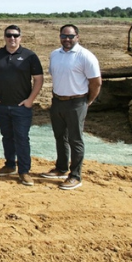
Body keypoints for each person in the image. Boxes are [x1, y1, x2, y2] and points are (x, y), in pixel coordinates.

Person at [45, 24, 102, 191]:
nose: (67, 39)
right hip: (57, 101)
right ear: (60, 37)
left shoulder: (86, 56)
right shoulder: (55, 54)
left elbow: (96, 83)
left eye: (70, 36)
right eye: (64, 36)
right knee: (60, 136)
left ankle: (75, 175)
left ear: (77, 37)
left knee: (75, 139)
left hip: (76, 102)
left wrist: (87, 101)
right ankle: (61, 169)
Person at [0, 24, 44, 186]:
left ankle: (24, 171)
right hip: (1, 105)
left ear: (20, 37)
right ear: (4, 37)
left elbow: (38, 79)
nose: (12, 38)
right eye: (9, 35)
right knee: (7, 136)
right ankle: (10, 165)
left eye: (15, 35)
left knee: (21, 137)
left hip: (22, 106)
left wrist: (30, 100)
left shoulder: (29, 56)